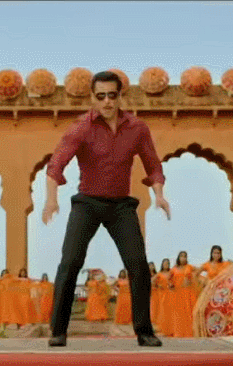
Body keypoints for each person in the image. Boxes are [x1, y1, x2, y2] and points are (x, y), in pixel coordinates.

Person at [43, 71, 170, 347]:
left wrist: (159, 194)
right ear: (93, 97)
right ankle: (58, 330)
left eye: (112, 95)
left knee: (138, 264)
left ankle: (144, 331)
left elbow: (153, 165)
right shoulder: (81, 128)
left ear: (120, 96)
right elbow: (56, 165)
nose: (107, 102)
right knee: (70, 262)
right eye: (101, 96)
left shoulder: (137, 128)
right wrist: (51, 200)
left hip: (121, 206)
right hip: (87, 203)